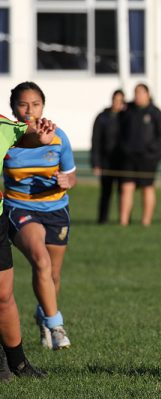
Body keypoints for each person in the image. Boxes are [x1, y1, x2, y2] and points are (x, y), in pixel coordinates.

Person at [4, 81, 77, 352]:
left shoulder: (59, 137)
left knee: (53, 274)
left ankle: (43, 314)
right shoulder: (8, 137)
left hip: (56, 209)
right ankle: (56, 325)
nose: (29, 110)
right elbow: (27, 138)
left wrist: (67, 181)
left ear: (43, 106)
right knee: (41, 261)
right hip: (20, 207)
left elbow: (72, 174)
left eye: (35, 104)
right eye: (23, 104)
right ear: (13, 107)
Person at [0, 112, 52, 380]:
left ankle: (18, 363)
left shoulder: (1, 125)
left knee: (4, 294)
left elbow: (22, 135)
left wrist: (40, 138)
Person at [119, 83, 161, 226]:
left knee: (147, 187)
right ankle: (123, 221)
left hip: (148, 158)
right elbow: (120, 132)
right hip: (129, 157)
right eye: (135, 93)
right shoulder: (127, 112)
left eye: (140, 93)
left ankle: (146, 221)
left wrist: (155, 153)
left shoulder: (156, 113)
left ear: (148, 94)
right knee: (127, 187)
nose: (137, 96)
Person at [91, 89, 126, 224]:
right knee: (106, 192)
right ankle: (102, 219)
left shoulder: (126, 117)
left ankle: (124, 219)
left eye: (120, 101)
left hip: (122, 161)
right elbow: (96, 141)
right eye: (115, 100)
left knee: (123, 191)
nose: (117, 103)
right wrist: (96, 163)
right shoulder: (102, 118)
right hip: (106, 161)